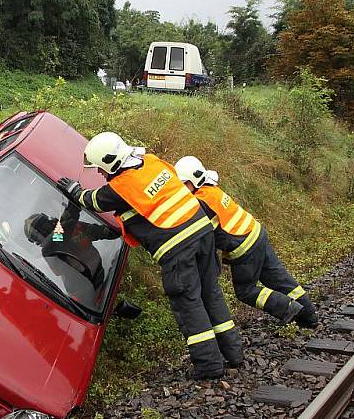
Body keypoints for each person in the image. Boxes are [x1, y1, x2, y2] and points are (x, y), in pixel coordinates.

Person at [57, 132, 243, 380]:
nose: (100, 174)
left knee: (189, 303)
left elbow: (91, 200)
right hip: (203, 233)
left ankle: (209, 367)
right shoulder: (153, 162)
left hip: (178, 247)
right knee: (211, 292)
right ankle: (234, 353)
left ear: (110, 162)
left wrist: (73, 192)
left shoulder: (120, 188)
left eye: (100, 168)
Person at [174, 156, 319, 328]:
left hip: (245, 248)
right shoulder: (210, 189)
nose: (183, 189)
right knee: (279, 279)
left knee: (245, 291)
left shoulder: (200, 203)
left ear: (194, 180)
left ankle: (287, 308)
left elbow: (202, 236)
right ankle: (309, 317)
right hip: (257, 234)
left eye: (184, 184)